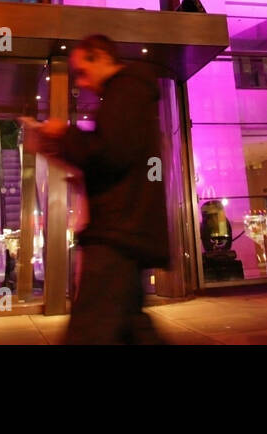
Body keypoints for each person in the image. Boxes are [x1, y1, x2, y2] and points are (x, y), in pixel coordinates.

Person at [20, 34, 169, 344]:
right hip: (126, 233)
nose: (83, 83)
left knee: (89, 332)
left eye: (83, 72)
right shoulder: (131, 93)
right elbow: (120, 159)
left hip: (116, 235)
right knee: (129, 328)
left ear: (100, 56)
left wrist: (62, 134)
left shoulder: (125, 91)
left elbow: (108, 153)